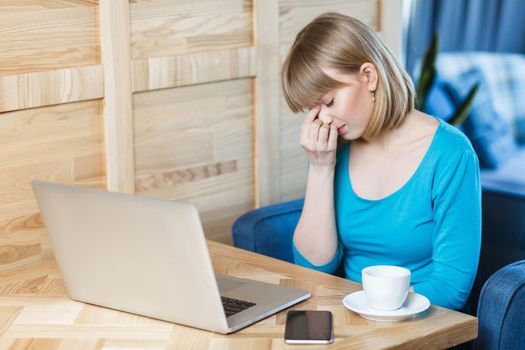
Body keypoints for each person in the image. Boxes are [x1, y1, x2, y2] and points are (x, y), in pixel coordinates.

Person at [281, 12, 481, 310]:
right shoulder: (333, 147)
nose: (323, 119)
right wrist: (322, 168)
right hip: (349, 317)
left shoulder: (452, 154)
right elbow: (313, 269)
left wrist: (366, 306)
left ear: (369, 76)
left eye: (329, 102)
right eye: (313, 109)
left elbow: (450, 289)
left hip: (419, 323)